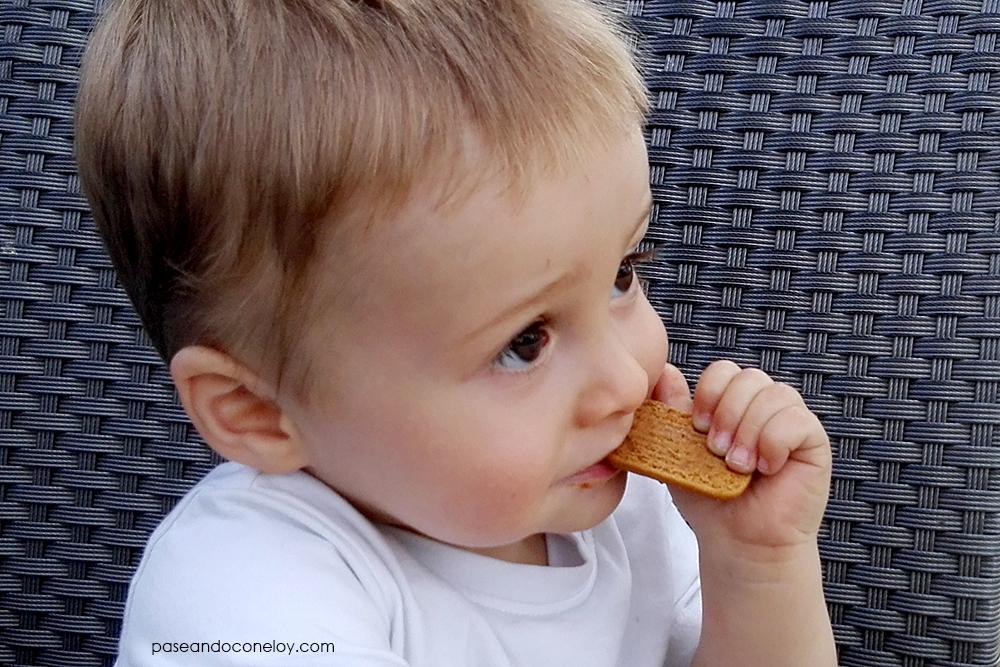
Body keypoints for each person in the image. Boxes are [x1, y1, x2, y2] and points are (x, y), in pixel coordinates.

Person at [75, 1, 837, 665]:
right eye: (524, 342)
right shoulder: (238, 593)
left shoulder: (625, 510)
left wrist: (757, 567)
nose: (628, 380)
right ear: (257, 410)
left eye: (622, 274)